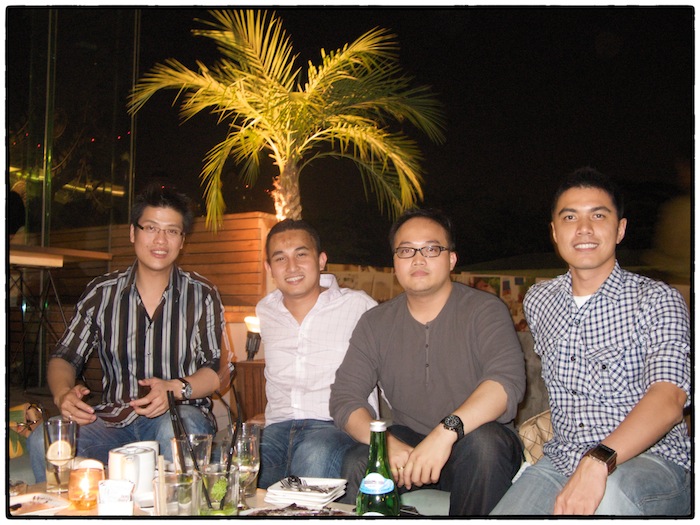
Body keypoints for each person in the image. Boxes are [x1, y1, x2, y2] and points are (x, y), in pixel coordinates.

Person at [491, 167, 691, 516]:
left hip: (651, 461)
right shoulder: (539, 300)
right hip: (563, 460)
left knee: (609, 498)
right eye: (570, 217)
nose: (583, 228)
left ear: (620, 229)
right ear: (555, 232)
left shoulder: (657, 299)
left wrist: (599, 459)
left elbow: (669, 398)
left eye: (598, 215)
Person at [29, 184, 233, 480]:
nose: (160, 239)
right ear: (133, 233)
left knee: (178, 430)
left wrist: (174, 388)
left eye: (172, 231)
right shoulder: (101, 293)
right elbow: (65, 356)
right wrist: (63, 395)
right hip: (113, 420)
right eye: (151, 228)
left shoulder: (202, 294)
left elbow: (216, 370)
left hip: (179, 413)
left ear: (182, 241)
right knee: (44, 440)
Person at [330, 208, 526, 516]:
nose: (418, 259)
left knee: (485, 445)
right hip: (410, 444)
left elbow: (505, 382)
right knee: (359, 461)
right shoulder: (375, 323)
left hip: (477, 440)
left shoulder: (485, 310)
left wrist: (445, 433)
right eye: (406, 250)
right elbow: (345, 397)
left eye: (431, 249)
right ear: (395, 262)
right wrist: (385, 444)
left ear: (451, 259)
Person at [256, 219, 378, 488]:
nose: (291, 267)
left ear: (321, 260)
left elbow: (392, 371)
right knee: (237, 462)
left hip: (335, 425)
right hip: (277, 427)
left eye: (301, 254)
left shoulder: (359, 306)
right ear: (269, 268)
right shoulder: (265, 310)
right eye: (280, 258)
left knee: (313, 455)